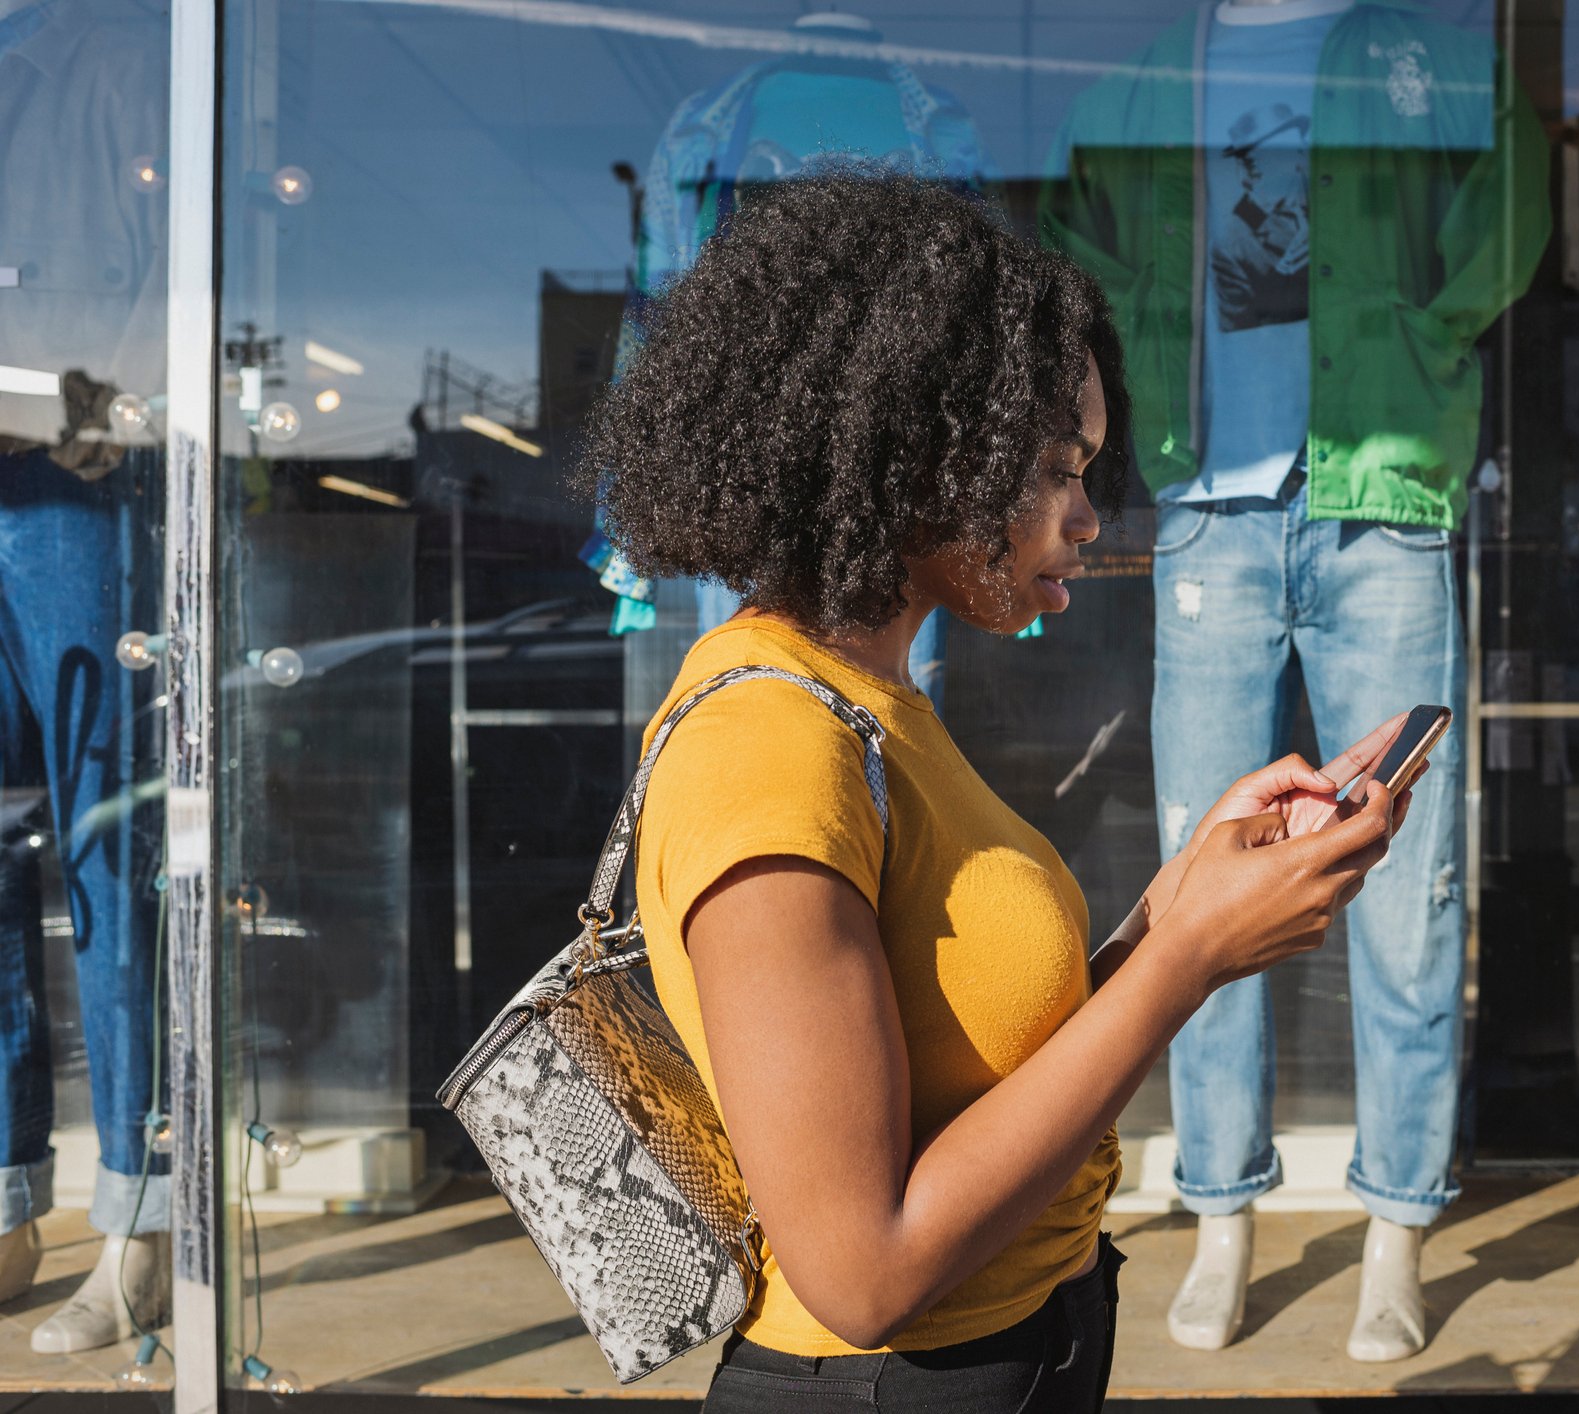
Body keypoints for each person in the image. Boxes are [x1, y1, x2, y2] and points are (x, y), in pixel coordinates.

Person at [581, 168, 1424, 1412]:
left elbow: (976, 1063)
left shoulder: (866, 700)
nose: (1088, 516)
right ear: (906, 443)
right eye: (1052, 467)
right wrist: (1182, 960)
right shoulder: (770, 741)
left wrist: (1182, 902)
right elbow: (864, 1272)